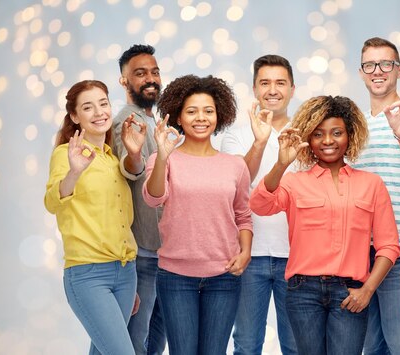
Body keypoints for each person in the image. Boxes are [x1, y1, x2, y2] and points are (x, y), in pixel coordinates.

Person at [250, 95, 400, 355]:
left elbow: (389, 246)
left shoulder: (371, 184)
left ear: (349, 135)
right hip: (302, 292)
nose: (328, 141)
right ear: (309, 139)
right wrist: (281, 163)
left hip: (350, 292)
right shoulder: (294, 181)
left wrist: (367, 290)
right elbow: (260, 205)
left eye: (336, 133)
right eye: (318, 134)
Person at [142, 74, 253, 355]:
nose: (200, 118)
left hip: (224, 275)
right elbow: (154, 197)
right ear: (178, 115)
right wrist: (164, 156)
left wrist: (246, 252)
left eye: (208, 111)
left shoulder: (234, 166)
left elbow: (243, 215)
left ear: (219, 115)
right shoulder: (162, 159)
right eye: (191, 111)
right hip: (176, 276)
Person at [45, 80, 145, 355]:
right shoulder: (66, 155)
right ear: (75, 117)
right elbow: (53, 201)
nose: (99, 112)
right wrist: (74, 172)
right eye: (88, 107)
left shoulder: (113, 160)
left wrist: (127, 279)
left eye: (103, 103)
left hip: (125, 273)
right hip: (88, 274)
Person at [354, 36, 400, 355]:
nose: (378, 71)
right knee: (369, 345)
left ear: (399, 70)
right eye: (370, 65)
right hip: (359, 249)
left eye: (386, 64)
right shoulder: (354, 125)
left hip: (399, 246)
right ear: (361, 72)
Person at [221, 54, 298, 354]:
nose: (273, 90)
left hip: (296, 256)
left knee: (296, 345)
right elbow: (238, 183)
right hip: (248, 256)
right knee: (247, 344)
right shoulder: (236, 136)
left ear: (292, 88)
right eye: (264, 83)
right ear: (254, 89)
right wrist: (260, 141)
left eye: (280, 83)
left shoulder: (307, 136)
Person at [111, 43, 166, 355]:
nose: (151, 78)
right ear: (124, 81)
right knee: (136, 340)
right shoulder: (126, 121)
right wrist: (133, 156)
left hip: (165, 254)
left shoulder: (156, 122)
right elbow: (130, 169)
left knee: (155, 340)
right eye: (140, 73)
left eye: (155, 71)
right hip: (144, 253)